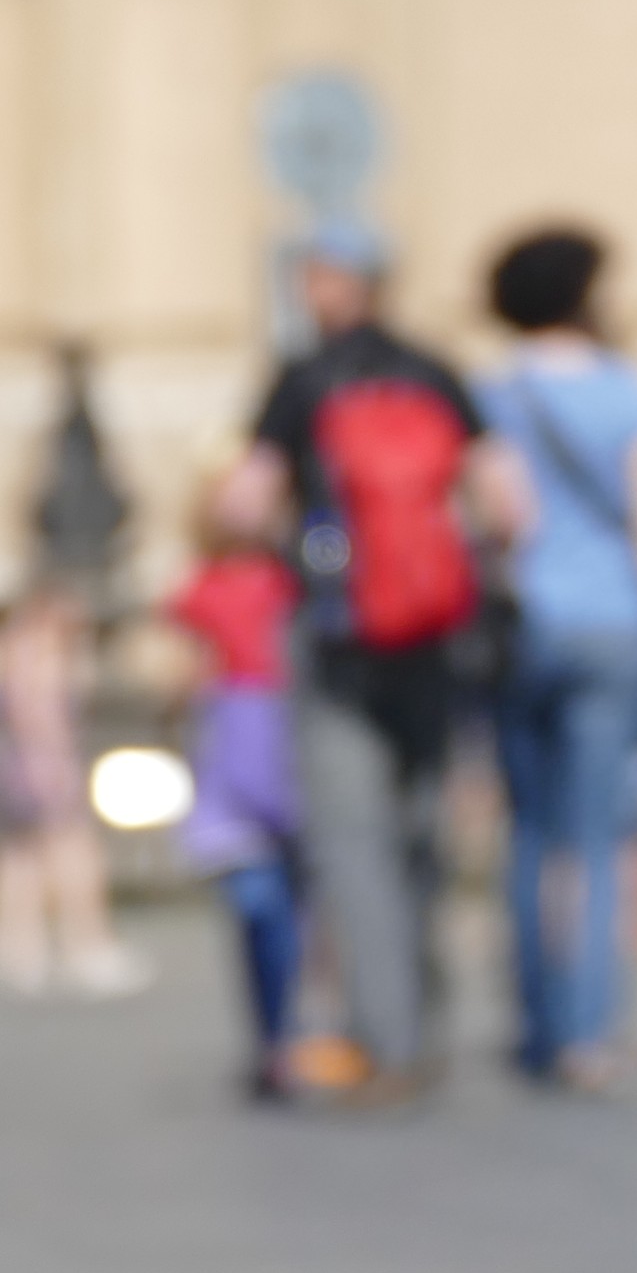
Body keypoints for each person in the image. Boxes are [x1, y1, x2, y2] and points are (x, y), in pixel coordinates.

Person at [215, 223, 530, 1095]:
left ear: (329, 283)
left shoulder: (302, 378)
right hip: (434, 633)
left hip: (338, 636)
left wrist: (295, 546)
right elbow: (509, 506)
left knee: (352, 842)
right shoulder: (436, 371)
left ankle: (386, 1041)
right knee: (420, 830)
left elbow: (243, 505)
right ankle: (427, 1018)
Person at [476, 228, 637, 1089]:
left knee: (529, 833)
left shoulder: (490, 392)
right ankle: (587, 1031)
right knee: (595, 836)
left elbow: (499, 516)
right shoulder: (628, 392)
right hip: (614, 624)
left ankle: (537, 1021)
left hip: (520, 628)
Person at [165, 494, 315, 1095]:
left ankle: (292, 1036)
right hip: (239, 748)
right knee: (259, 907)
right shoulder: (200, 588)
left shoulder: (298, 577)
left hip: (287, 741)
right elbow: (177, 671)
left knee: (295, 911)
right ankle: (274, 1037)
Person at [0, 584, 137, 998]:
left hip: (18, 763)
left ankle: (18, 951)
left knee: (21, 858)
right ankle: (85, 943)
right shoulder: (41, 651)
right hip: (44, 762)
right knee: (75, 854)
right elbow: (38, 715)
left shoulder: (15, 647)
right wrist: (54, 769)